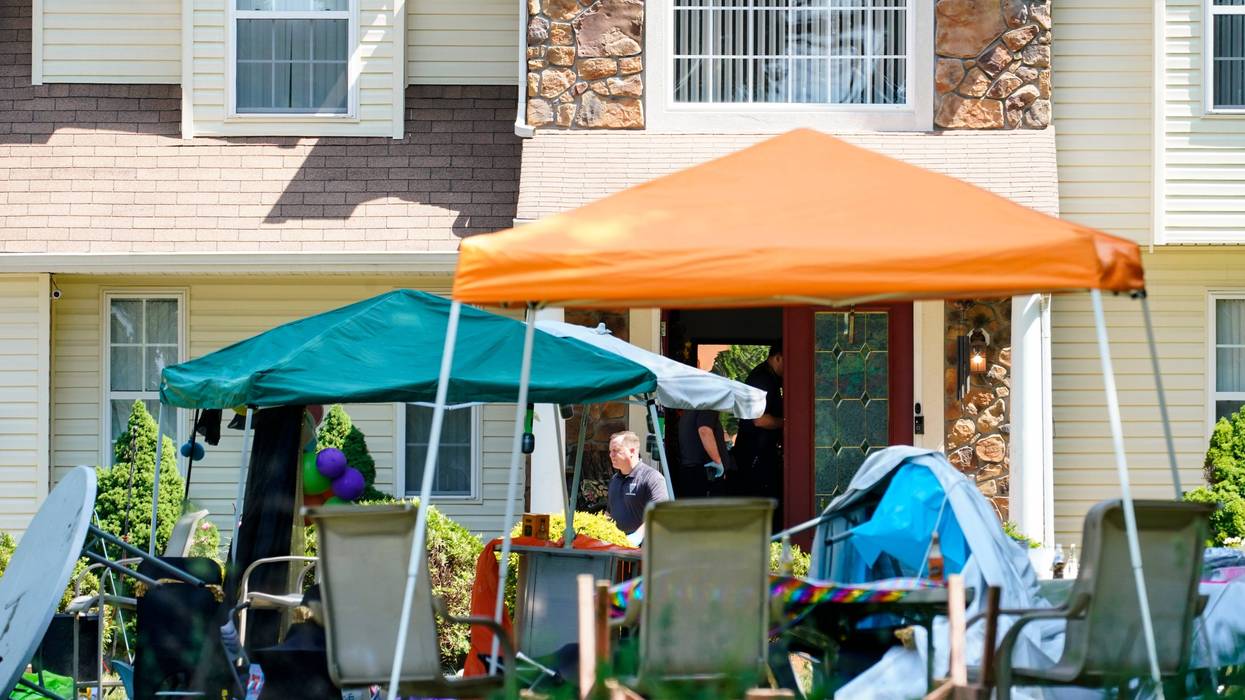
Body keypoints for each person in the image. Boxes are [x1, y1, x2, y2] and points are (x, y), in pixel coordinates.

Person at [732, 343, 784, 523]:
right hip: (754, 452)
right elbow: (759, 420)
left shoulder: (771, 378)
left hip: (760, 451)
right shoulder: (762, 378)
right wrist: (786, 423)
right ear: (778, 357)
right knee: (757, 499)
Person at [606, 430, 669, 544]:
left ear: (632, 451)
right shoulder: (614, 480)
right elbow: (609, 513)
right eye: (610, 451)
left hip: (645, 552)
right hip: (617, 550)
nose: (611, 455)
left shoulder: (652, 478)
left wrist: (637, 537)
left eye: (616, 451)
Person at [677, 408, 734, 498]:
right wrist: (718, 461)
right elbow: (704, 430)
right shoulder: (708, 404)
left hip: (692, 471)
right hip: (704, 473)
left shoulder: (691, 408)